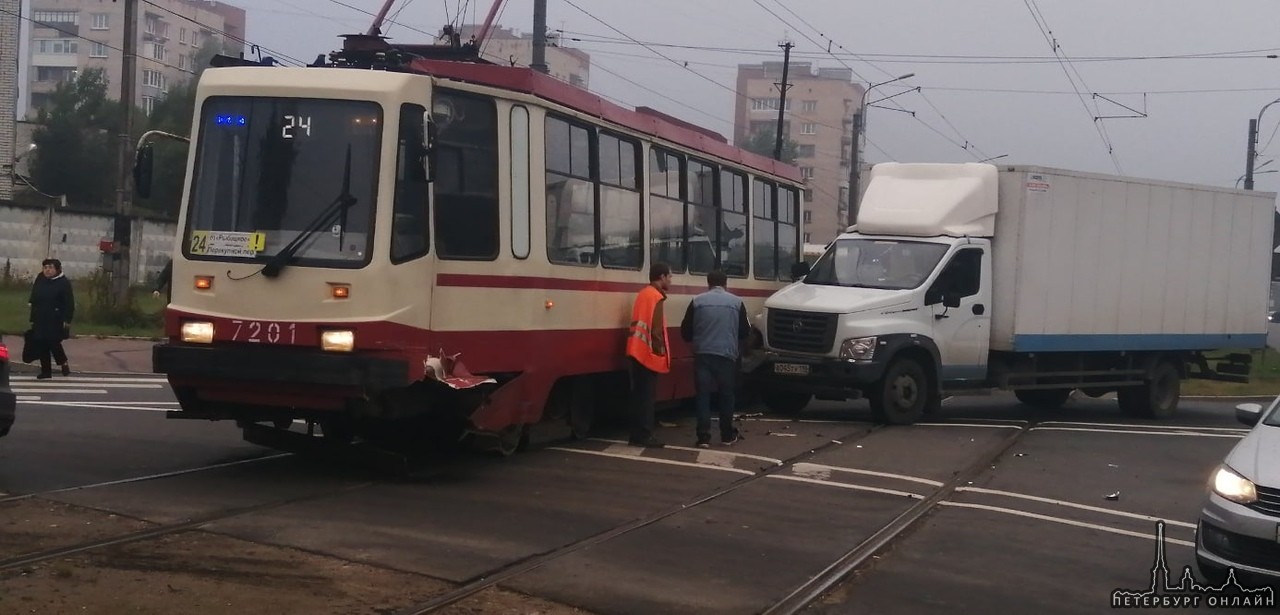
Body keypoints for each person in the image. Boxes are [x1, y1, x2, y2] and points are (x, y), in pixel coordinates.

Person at [681, 270, 749, 447]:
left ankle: (703, 437)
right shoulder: (737, 302)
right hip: (726, 355)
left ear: (708, 283)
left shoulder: (697, 302)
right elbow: (745, 332)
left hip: (703, 354)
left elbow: (685, 332)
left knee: (702, 395)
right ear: (725, 284)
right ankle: (727, 435)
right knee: (726, 395)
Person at [625, 263, 672, 448]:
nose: (670, 280)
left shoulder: (643, 294)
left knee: (638, 397)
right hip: (647, 354)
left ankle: (635, 435)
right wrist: (660, 354)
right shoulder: (656, 297)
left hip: (636, 351)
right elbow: (656, 330)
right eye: (669, 276)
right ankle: (644, 435)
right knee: (647, 399)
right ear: (661, 277)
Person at [28, 258, 75, 379]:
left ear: (57, 269)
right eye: (45, 268)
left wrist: (67, 319)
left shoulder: (63, 283)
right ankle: (46, 371)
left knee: (53, 342)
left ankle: (63, 362)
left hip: (55, 318)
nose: (47, 270)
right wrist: (32, 312)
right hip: (40, 317)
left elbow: (69, 303)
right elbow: (34, 295)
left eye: (50, 268)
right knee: (41, 343)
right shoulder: (40, 279)